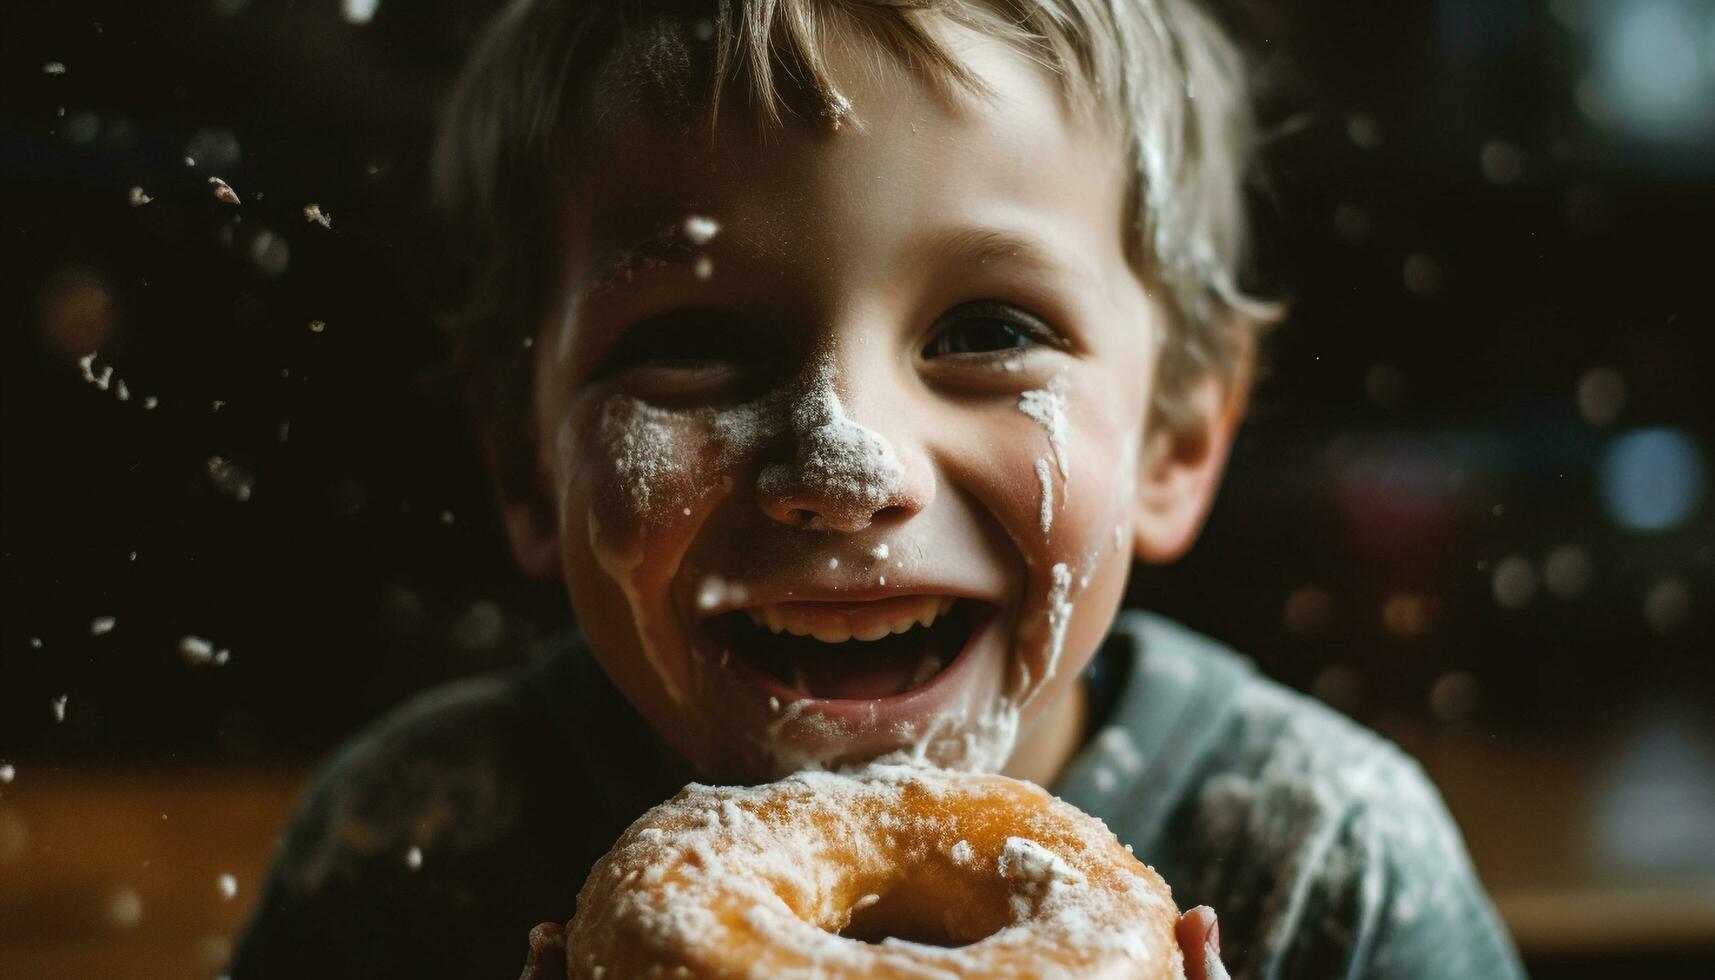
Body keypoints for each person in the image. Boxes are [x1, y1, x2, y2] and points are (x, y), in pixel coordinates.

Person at [233, 1, 1526, 977]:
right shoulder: (408, 855)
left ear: (1175, 439)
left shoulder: (1326, 871)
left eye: (987, 329)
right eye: (695, 341)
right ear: (526, 454)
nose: (845, 466)